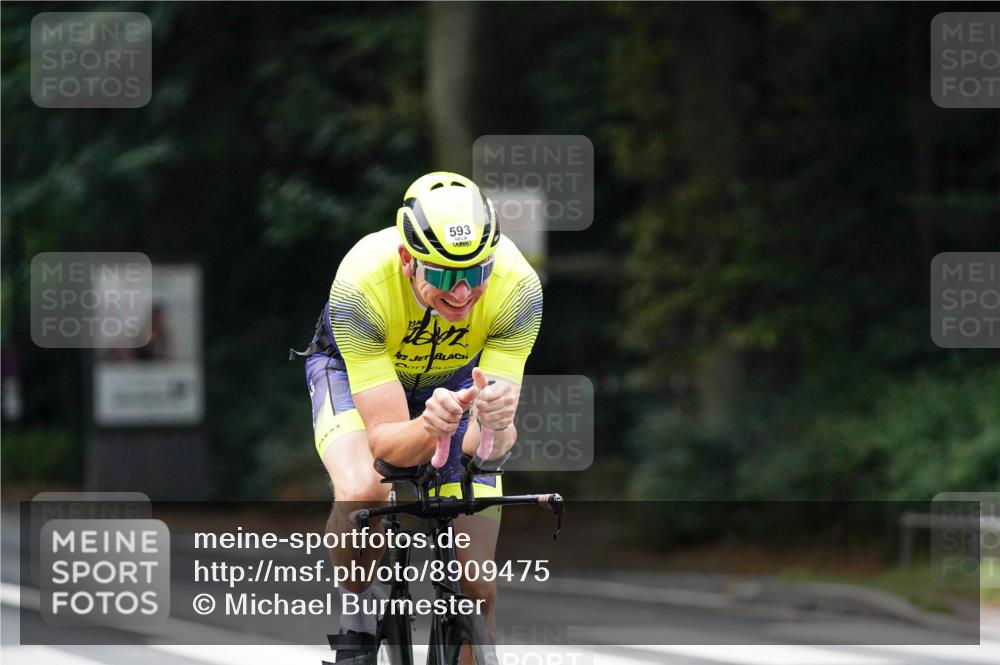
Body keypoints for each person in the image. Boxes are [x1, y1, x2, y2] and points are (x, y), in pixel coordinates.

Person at [294, 172, 543, 663]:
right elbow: (386, 443)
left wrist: (494, 424)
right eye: (446, 277)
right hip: (351, 374)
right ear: (408, 260)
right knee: (365, 490)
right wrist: (428, 429)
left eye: (477, 272)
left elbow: (487, 448)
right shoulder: (362, 282)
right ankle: (358, 611)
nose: (463, 292)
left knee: (477, 586)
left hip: (456, 382)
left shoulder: (518, 287)